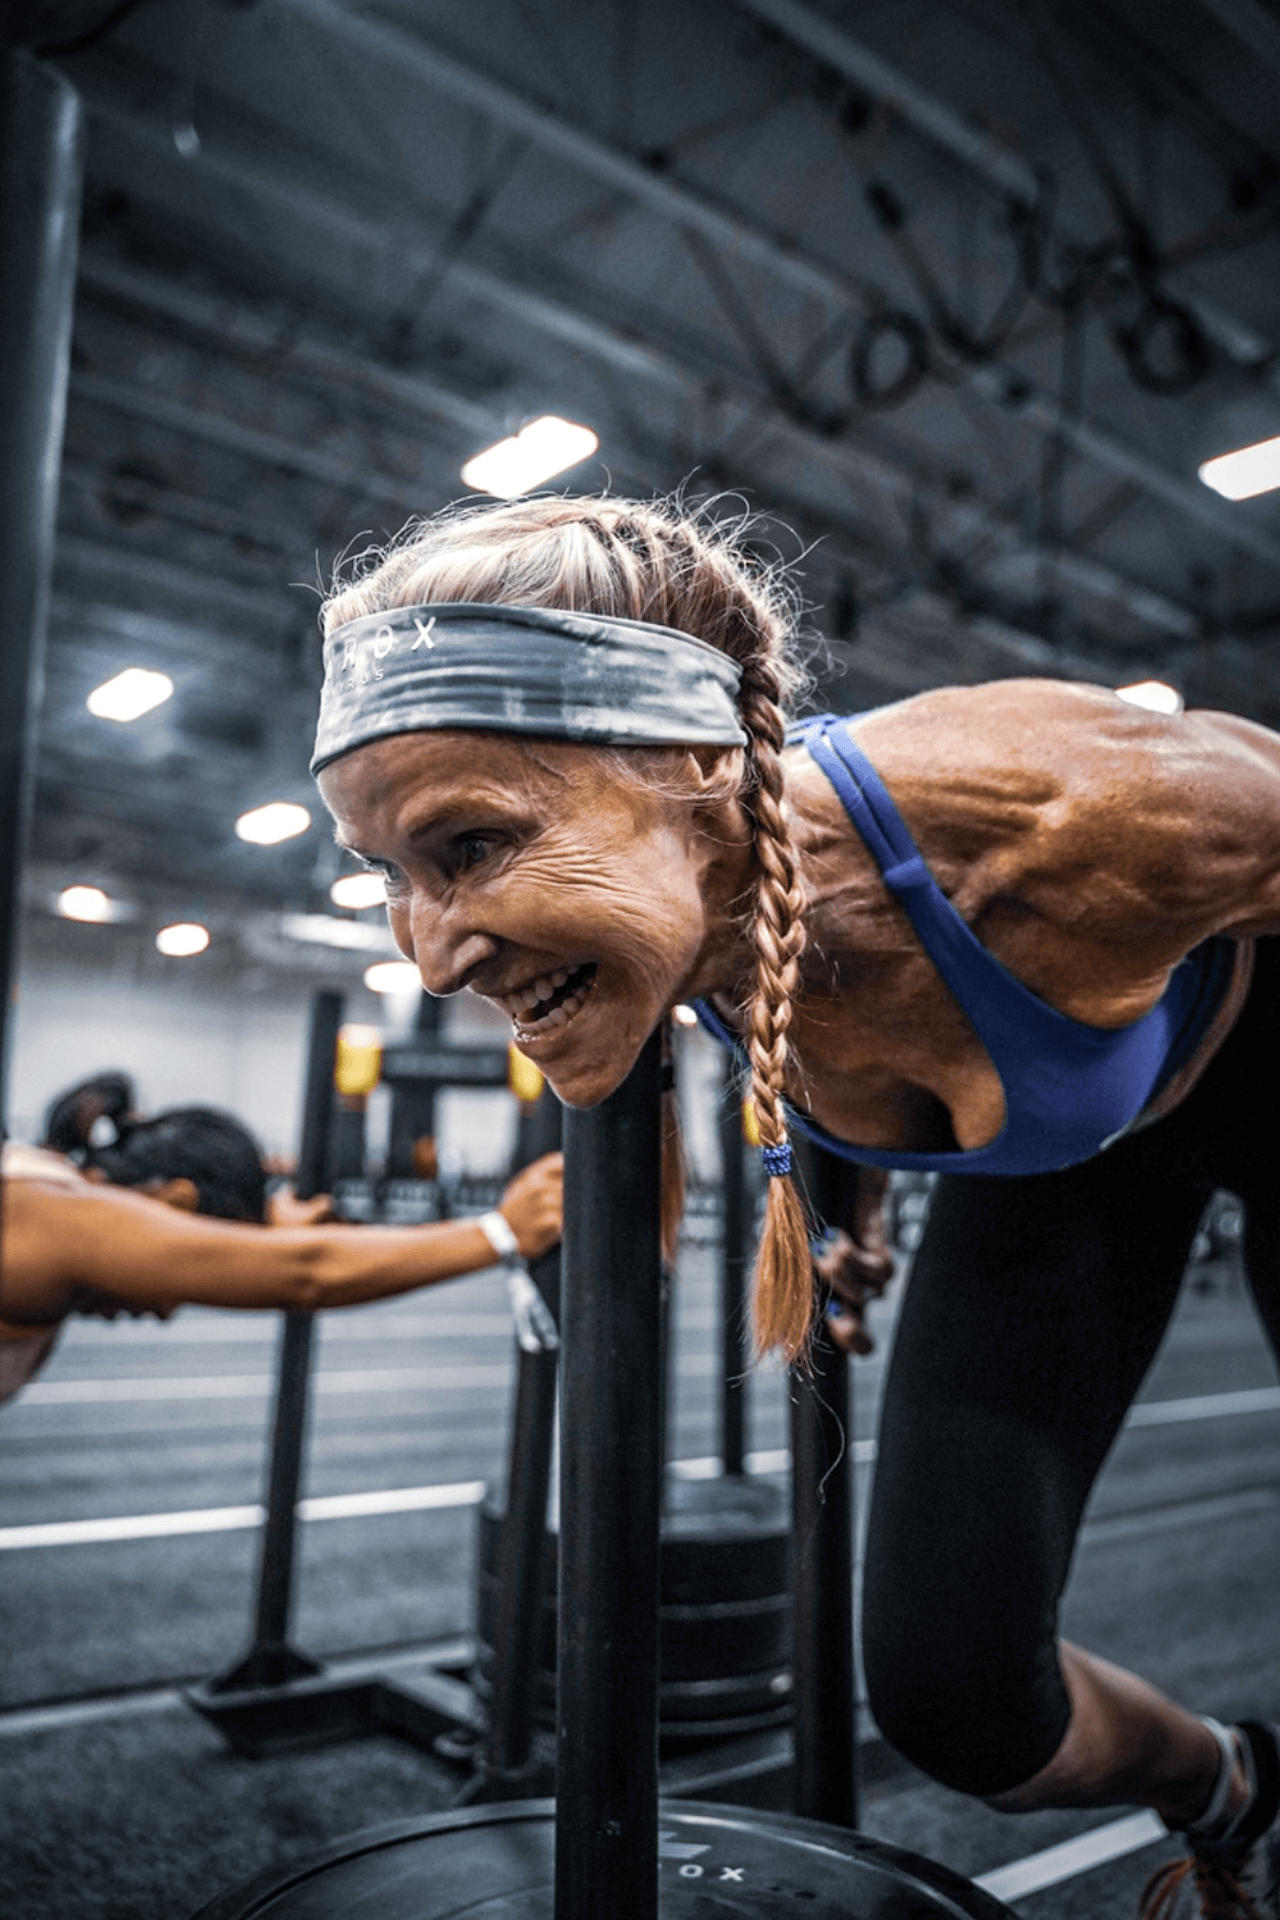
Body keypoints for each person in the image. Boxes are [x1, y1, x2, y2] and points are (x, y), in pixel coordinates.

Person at [307, 492, 1280, 1920]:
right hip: (1071, 1170)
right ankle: (1232, 1784)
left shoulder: (1065, 809)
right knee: (960, 1699)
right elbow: (814, 1000)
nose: (431, 954)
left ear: (697, 766)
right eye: (387, 876)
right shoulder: (668, 913)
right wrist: (855, 1203)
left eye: (469, 847)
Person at [1, 1091, 563, 1404]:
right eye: (193, 1257)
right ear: (172, 1201)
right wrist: (499, 1232)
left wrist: (280, 1224)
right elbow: (302, 1273)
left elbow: (285, 1252)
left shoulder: (49, 1203)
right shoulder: (53, 1218)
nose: (172, 1306)